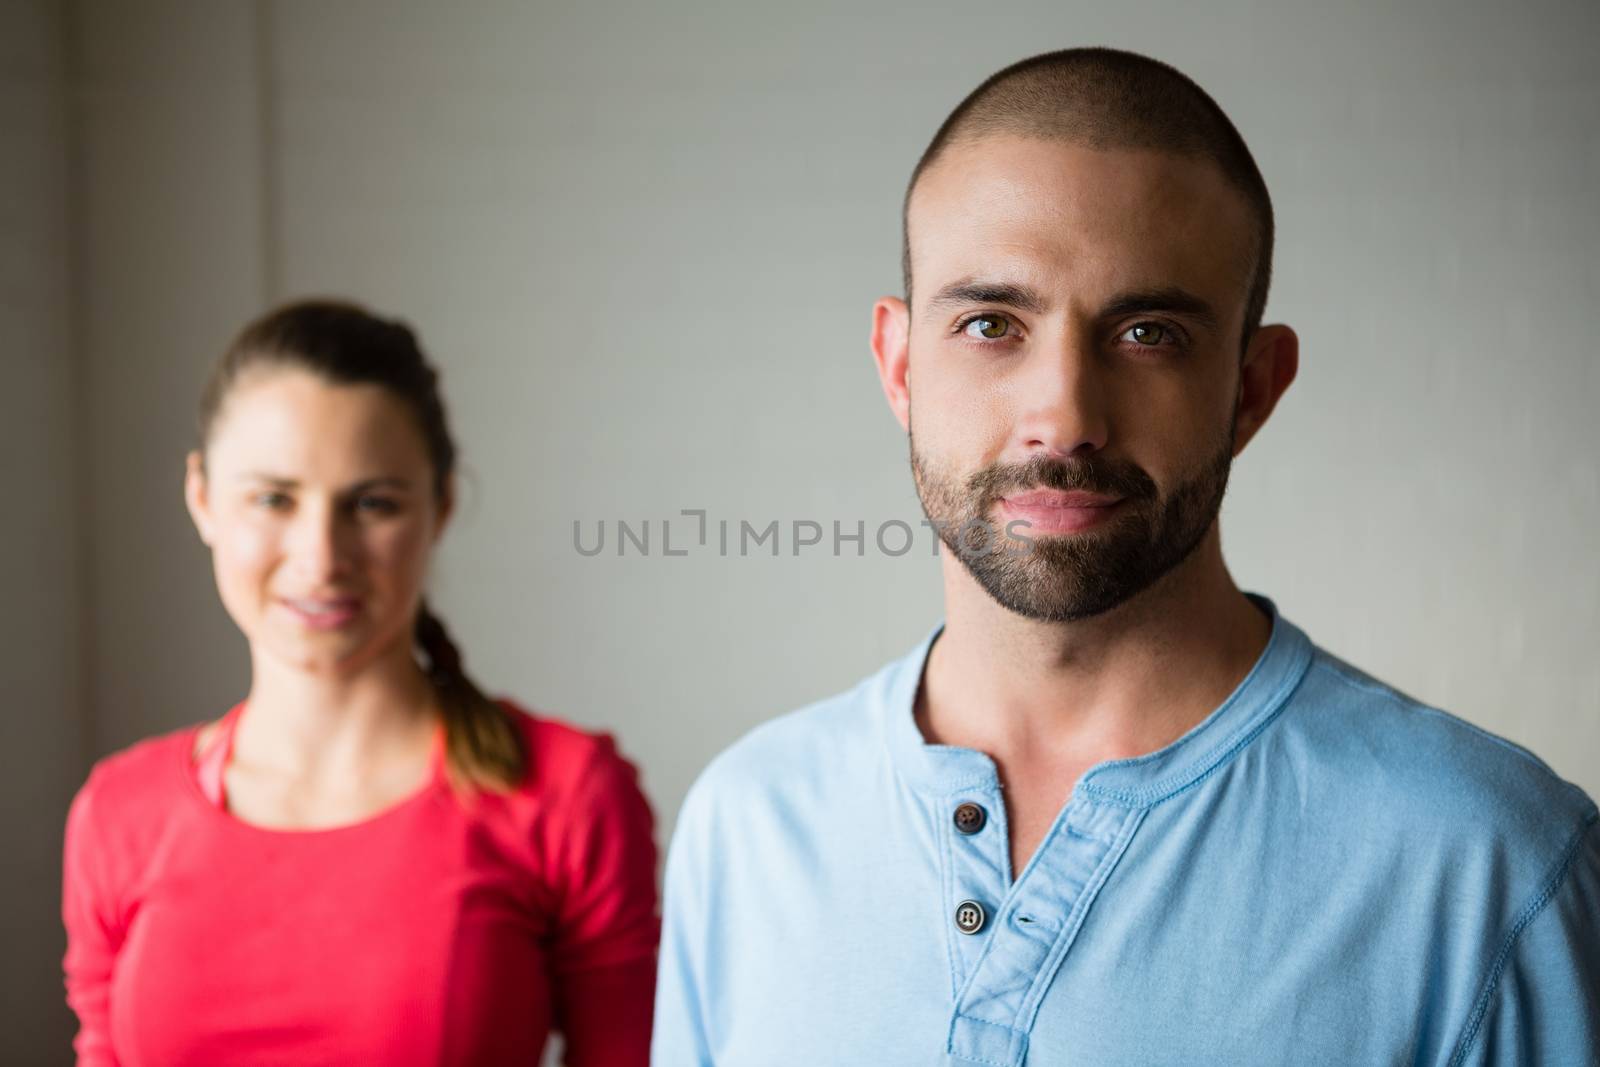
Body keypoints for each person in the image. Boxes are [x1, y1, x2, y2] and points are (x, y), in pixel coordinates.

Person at [652, 47, 1599, 1066]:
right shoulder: (747, 824)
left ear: (1252, 386)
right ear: (898, 364)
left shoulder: (1489, 865)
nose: (1062, 415)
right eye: (988, 324)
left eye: (1146, 331)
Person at [62, 300, 659, 1066]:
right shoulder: (118, 813)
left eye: (372, 503)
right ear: (202, 497)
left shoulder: (566, 793)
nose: (320, 556)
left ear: (440, 505)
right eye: (273, 498)